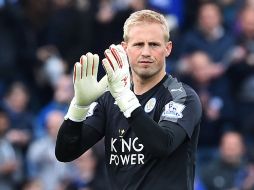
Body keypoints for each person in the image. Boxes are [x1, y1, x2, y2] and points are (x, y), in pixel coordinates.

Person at [55, 9, 202, 190]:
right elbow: (65, 152)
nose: (146, 52)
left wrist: (125, 97)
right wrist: (78, 107)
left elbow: (163, 145)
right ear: (125, 48)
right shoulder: (109, 100)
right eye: (138, 44)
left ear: (168, 48)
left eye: (154, 44)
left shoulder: (182, 96)